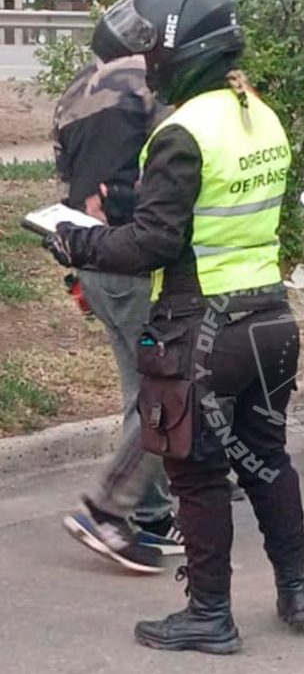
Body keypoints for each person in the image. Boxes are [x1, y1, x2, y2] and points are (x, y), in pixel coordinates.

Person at [44, 0, 304, 654]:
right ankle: (295, 588)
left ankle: (210, 615)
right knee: (267, 461)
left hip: (202, 329)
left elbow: (154, 244)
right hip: (269, 317)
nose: (149, 62)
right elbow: (211, 206)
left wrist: (77, 240)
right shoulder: (258, 115)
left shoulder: (183, 129)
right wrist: (129, 207)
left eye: (153, 49)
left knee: (197, 477)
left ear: (178, 48)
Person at [54, 55, 185, 572]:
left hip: (91, 258)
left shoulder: (77, 90)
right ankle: (107, 511)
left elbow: (66, 175)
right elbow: (171, 175)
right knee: (167, 391)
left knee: (141, 389)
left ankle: (151, 514)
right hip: (133, 260)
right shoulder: (154, 90)